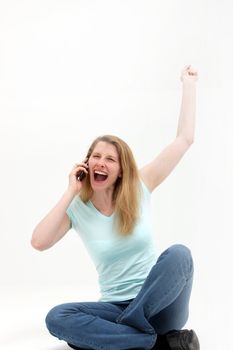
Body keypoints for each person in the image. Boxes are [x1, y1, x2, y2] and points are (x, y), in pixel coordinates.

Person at [31, 65, 199, 350]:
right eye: (95, 156)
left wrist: (189, 85)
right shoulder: (77, 208)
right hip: (113, 306)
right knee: (57, 318)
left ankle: (120, 335)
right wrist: (70, 190)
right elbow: (38, 242)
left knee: (180, 255)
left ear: (121, 170)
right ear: (86, 163)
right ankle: (157, 344)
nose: (100, 162)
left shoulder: (140, 186)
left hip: (160, 303)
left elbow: (184, 140)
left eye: (110, 159)